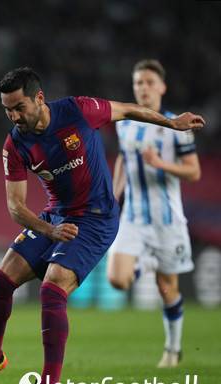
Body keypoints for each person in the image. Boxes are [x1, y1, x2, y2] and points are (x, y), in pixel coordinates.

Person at [0, 67, 204, 384]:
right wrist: (49, 229)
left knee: (52, 288)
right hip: (55, 217)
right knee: (1, 281)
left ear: (39, 98)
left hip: (96, 218)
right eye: (7, 110)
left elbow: (127, 110)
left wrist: (171, 124)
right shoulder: (15, 144)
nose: (13, 116)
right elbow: (15, 207)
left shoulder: (78, 110)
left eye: (19, 107)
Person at [106, 60, 201, 368]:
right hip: (133, 218)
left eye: (149, 82)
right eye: (138, 83)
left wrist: (161, 164)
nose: (143, 88)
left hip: (167, 221)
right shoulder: (125, 123)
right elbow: (123, 160)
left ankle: (173, 349)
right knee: (117, 279)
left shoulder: (178, 126)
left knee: (167, 288)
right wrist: (114, 196)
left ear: (162, 87)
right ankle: (145, 261)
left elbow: (194, 172)